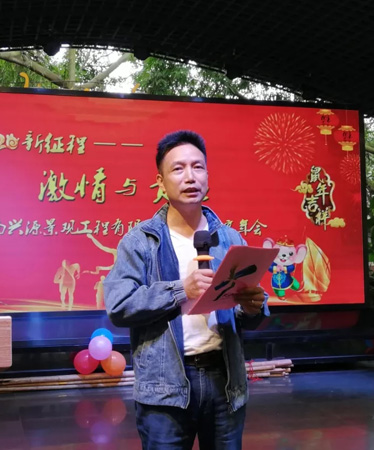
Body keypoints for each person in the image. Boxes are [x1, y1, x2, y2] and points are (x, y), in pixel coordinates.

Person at [104, 130, 269, 449]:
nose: (190, 177)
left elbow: (242, 314)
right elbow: (119, 304)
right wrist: (182, 289)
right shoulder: (140, 242)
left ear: (208, 176)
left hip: (225, 382)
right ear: (161, 182)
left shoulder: (230, 239)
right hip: (165, 389)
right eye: (178, 169)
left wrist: (252, 307)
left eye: (198, 167)